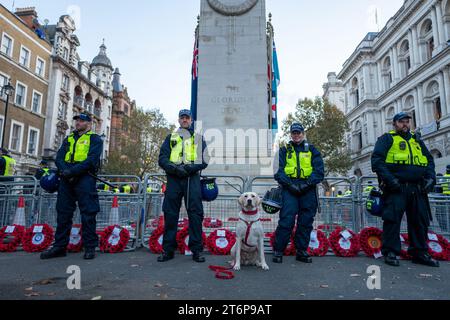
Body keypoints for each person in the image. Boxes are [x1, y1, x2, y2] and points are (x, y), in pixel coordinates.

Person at [371, 112, 439, 268]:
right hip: (396, 188)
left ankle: (419, 252)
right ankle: (390, 252)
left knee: (419, 221)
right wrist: (390, 180)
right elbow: (377, 161)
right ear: (394, 124)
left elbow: (429, 161)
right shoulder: (386, 139)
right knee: (392, 220)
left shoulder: (417, 140)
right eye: (401, 122)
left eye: (407, 121)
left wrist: (430, 179)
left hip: (418, 188)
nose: (405, 124)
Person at [41, 113, 103, 260]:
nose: (78, 123)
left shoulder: (95, 139)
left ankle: (89, 247)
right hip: (66, 178)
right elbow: (59, 157)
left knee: (88, 213)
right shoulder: (69, 138)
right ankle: (60, 246)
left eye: (81, 121)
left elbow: (92, 160)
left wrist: (73, 171)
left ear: (89, 123)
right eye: (77, 121)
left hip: (85, 177)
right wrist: (65, 171)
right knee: (63, 212)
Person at [157, 109, 209, 263]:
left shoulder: (198, 138)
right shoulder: (170, 138)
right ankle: (168, 250)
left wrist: (188, 168)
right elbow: (162, 158)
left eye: (187, 118)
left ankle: (196, 250)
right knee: (170, 214)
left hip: (191, 179)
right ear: (179, 120)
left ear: (191, 120)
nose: (185, 120)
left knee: (195, 214)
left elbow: (204, 160)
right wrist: (174, 169)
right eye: (182, 118)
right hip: (173, 179)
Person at [272, 123, 325, 264]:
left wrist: (306, 184)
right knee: (286, 220)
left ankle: (301, 251)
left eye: (299, 132)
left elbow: (319, 171)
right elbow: (278, 171)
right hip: (289, 189)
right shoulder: (283, 151)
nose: (296, 135)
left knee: (305, 222)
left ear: (303, 133)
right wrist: (290, 185)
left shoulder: (312, 150)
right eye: (294, 133)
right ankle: (278, 251)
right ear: (291, 134)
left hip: (308, 189)